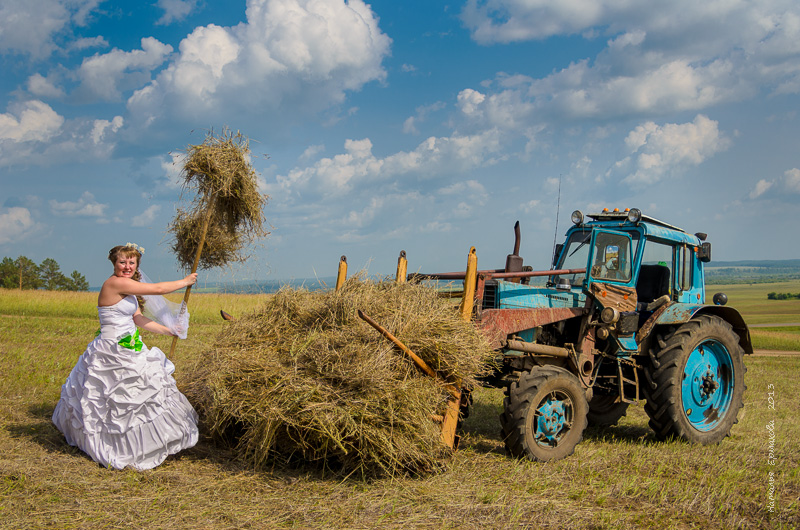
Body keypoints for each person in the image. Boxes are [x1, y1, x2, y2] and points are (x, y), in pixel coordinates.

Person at [52, 243, 200, 470]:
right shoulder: (114, 283)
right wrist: (185, 282)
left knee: (141, 394)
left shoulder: (129, 292)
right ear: (114, 263)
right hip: (111, 350)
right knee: (114, 400)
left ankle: (149, 442)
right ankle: (117, 445)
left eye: (132, 262)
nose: (127, 266)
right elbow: (159, 289)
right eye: (123, 262)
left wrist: (169, 331)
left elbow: (138, 320)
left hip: (130, 346)